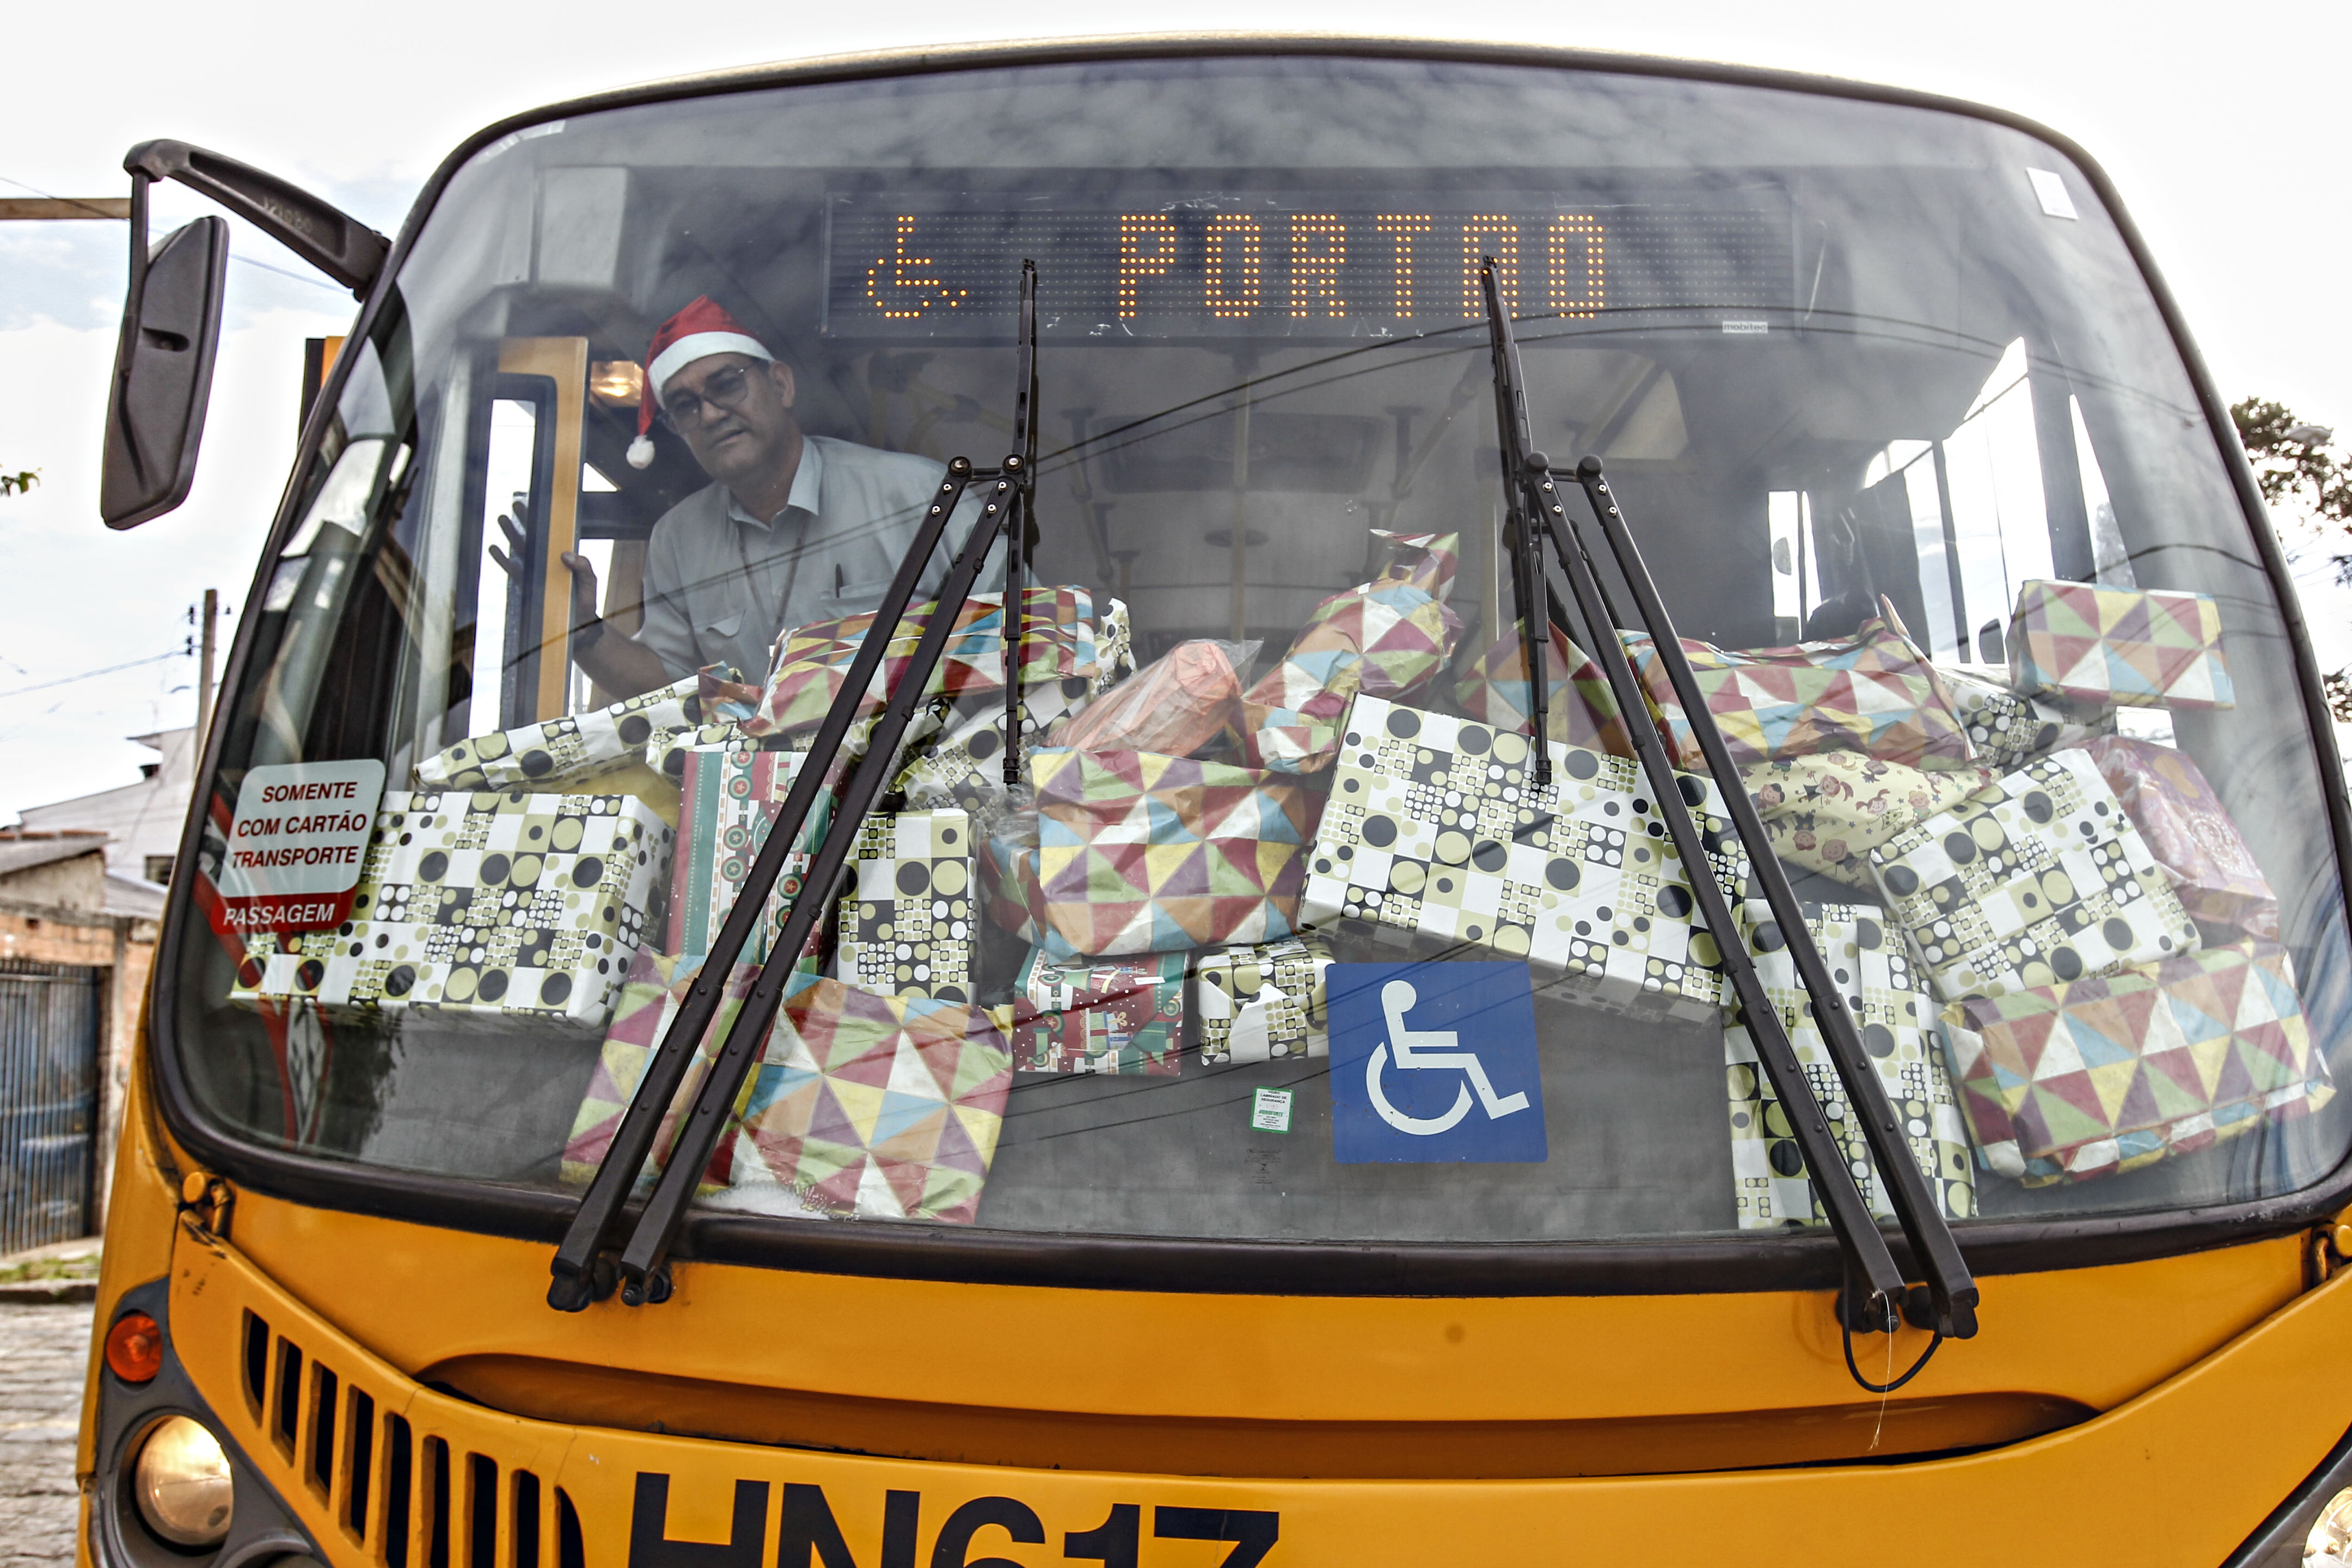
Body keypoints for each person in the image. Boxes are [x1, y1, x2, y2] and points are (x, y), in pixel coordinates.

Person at [561, 296, 969, 697]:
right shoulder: (677, 538)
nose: (711, 414)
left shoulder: (920, 494)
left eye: (727, 385)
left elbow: (1005, 639)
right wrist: (581, 630)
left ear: (781, 385)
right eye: (685, 406)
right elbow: (668, 692)